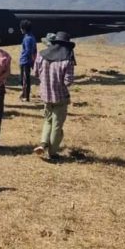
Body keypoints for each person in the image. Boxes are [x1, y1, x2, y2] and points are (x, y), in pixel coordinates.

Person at [32, 32, 76, 161]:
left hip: (45, 95)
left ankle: (43, 144)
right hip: (60, 97)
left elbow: (35, 73)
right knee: (57, 125)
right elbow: (68, 81)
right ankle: (52, 153)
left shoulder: (41, 54)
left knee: (48, 120)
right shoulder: (67, 59)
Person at [18, 20, 37, 102]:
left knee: (24, 79)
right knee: (26, 79)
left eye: (21, 28)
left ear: (24, 29)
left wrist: (27, 60)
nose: (20, 30)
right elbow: (34, 50)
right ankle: (25, 94)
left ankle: (26, 96)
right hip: (28, 61)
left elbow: (28, 51)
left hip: (25, 61)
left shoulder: (27, 38)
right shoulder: (32, 37)